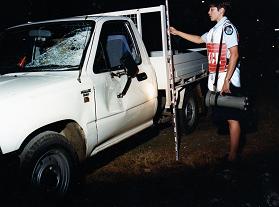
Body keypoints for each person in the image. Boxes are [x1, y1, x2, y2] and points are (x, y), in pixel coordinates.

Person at [170, 0, 242, 163]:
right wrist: (177, 32)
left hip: (228, 80)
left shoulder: (227, 28)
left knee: (233, 118)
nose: (209, 12)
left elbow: (235, 54)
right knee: (227, 117)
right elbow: (198, 40)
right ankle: (232, 154)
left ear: (221, 10)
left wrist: (227, 81)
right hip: (218, 80)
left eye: (211, 9)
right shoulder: (215, 30)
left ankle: (233, 157)